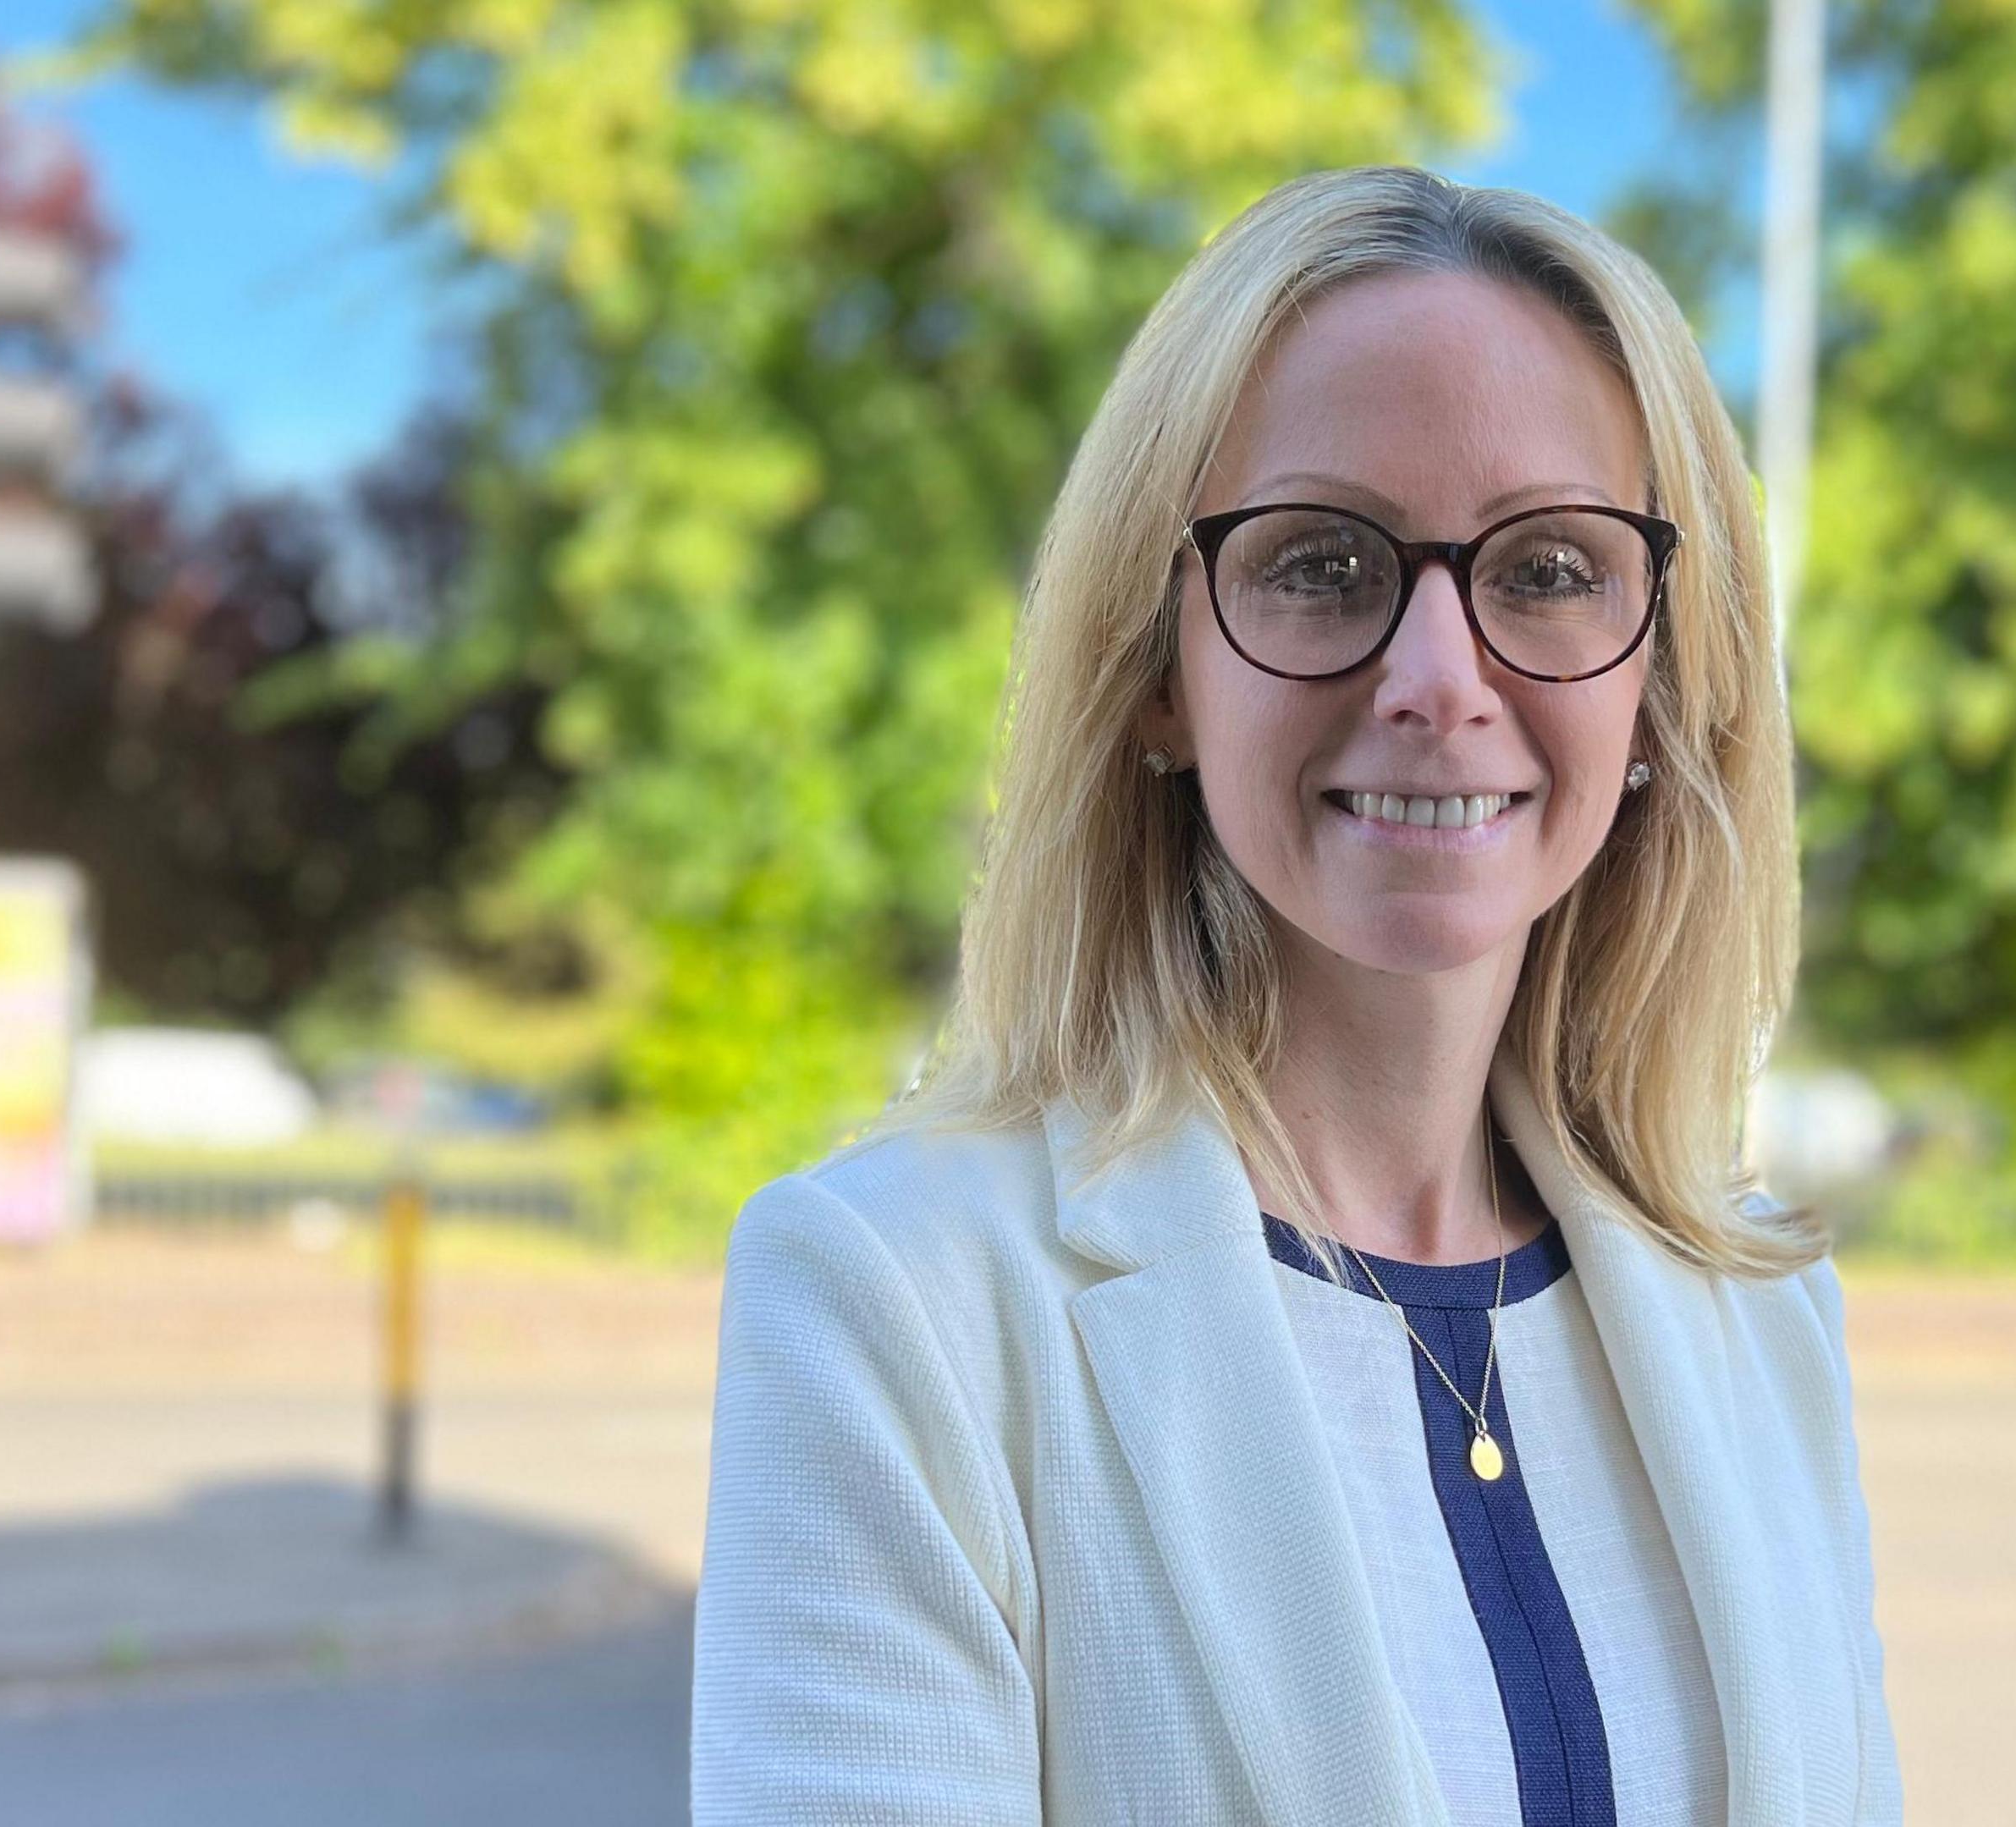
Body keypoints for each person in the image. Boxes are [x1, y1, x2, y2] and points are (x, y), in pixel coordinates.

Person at [691, 163, 1902, 1826]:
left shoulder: (1758, 1314)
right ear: (1157, 677)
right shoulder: (898, 1300)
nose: (1435, 680)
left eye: (1549, 569)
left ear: (1663, 673)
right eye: (1322, 566)